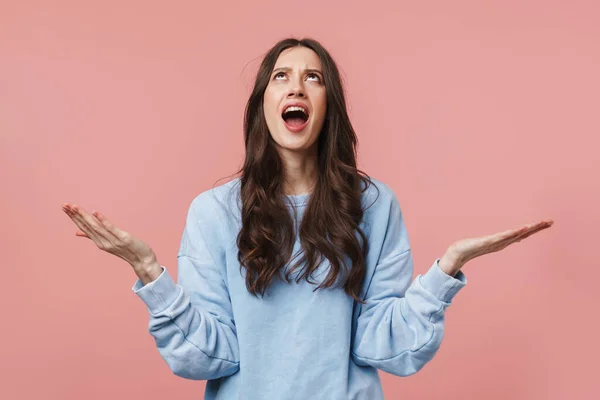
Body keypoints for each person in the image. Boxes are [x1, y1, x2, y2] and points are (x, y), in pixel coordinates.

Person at [62, 37, 553, 400]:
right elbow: (208, 357)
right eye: (281, 76)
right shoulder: (213, 213)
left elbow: (388, 348)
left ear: (327, 106)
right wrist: (149, 271)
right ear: (264, 106)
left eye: (312, 78)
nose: (296, 86)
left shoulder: (375, 205)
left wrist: (445, 271)